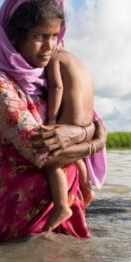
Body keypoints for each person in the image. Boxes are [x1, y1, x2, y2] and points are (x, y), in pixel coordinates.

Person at [0, 0, 107, 243]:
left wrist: (84, 132)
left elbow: (86, 120)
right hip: (23, 199)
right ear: (15, 37)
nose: (50, 46)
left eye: (54, 35)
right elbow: (42, 151)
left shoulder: (49, 76)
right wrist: (95, 141)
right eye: (40, 36)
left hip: (68, 197)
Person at [45, 48, 102, 215]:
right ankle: (86, 188)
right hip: (87, 122)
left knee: (53, 160)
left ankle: (61, 206)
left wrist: (52, 119)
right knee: (76, 157)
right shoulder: (78, 62)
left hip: (70, 121)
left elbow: (56, 87)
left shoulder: (55, 58)